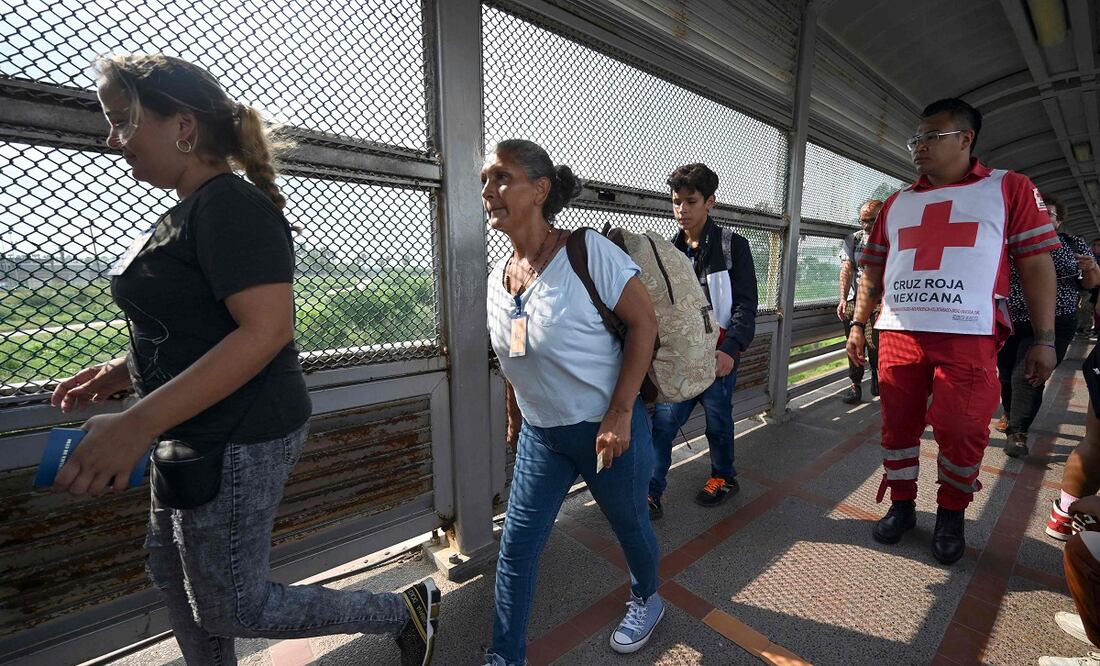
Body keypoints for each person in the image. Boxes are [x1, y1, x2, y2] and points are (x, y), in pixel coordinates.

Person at [49, 55, 439, 666]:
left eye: (122, 121)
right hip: (188, 425)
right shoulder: (186, 211)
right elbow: (192, 326)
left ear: (183, 126)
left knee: (234, 605)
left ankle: (402, 609)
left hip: (239, 430)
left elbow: (265, 332)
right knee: (173, 573)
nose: (112, 138)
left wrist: (135, 424)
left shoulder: (229, 206)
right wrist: (121, 373)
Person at [849, 97, 1059, 565]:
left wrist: (1044, 339)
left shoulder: (1009, 187)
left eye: (932, 136)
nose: (919, 147)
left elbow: (1036, 264)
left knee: (962, 429)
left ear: (966, 139)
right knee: (898, 427)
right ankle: (902, 505)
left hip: (968, 333)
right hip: (899, 331)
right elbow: (872, 270)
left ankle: (951, 513)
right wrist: (859, 324)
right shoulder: (897, 202)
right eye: (916, 138)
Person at [483, 139, 664, 664]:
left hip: (606, 430)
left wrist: (621, 412)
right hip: (542, 436)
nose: (489, 191)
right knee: (517, 548)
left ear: (540, 190)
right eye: (485, 181)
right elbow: (514, 354)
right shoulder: (499, 278)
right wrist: (515, 415)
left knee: (630, 526)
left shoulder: (587, 253)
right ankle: (504, 656)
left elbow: (644, 323)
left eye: (502, 178)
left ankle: (647, 598)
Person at [646, 163, 757, 520]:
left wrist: (730, 349)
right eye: (676, 201)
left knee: (717, 420)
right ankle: (650, 491)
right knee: (664, 422)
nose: (681, 209)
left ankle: (724, 477)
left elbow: (745, 304)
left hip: (718, 353)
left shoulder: (732, 245)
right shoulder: (669, 252)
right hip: (681, 354)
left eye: (690, 201)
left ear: (710, 202)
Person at [994, 193, 1098, 456]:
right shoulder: (1010, 242)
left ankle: (1018, 432)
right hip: (1012, 320)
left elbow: (1089, 284)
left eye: (1047, 214)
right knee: (1005, 373)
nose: (1040, 217)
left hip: (1055, 321)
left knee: (1028, 374)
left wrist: (1090, 269)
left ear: (1058, 221)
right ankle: (1010, 412)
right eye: (1036, 212)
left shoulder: (1073, 245)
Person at [837, 199, 884, 404]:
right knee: (853, 342)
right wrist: (843, 299)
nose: (866, 226)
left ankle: (875, 372)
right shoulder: (854, 239)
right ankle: (855, 384)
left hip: (879, 299)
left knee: (873, 340)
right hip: (856, 297)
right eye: (862, 220)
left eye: (871, 220)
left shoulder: (889, 238)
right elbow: (846, 270)